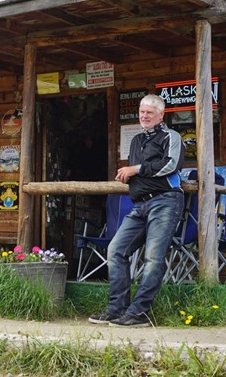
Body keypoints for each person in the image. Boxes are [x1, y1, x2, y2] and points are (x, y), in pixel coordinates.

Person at [89, 94, 185, 328]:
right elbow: (137, 173)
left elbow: (171, 164)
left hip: (165, 201)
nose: (144, 116)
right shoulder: (136, 140)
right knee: (116, 250)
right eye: (142, 112)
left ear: (161, 115)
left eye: (149, 112)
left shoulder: (171, 136)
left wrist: (136, 169)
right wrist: (128, 175)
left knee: (152, 258)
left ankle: (139, 313)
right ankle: (117, 309)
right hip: (140, 204)